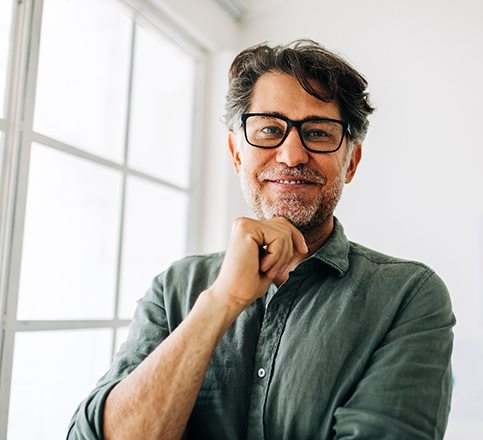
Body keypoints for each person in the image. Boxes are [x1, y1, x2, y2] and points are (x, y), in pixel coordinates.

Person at [67, 39, 455, 440]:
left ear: (350, 162)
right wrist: (219, 303)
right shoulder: (174, 290)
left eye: (318, 133)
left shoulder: (407, 295)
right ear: (237, 153)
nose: (291, 156)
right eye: (270, 129)